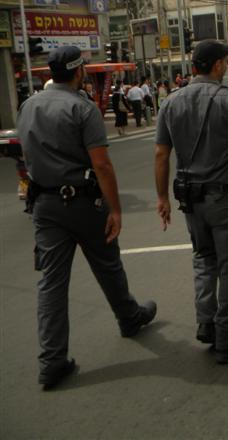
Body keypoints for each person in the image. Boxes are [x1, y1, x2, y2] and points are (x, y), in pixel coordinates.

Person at [17, 46, 156, 390]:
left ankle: (52, 361)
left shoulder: (28, 105)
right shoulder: (82, 108)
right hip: (82, 201)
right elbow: (102, 164)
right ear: (79, 72)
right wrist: (116, 209)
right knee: (107, 262)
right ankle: (128, 317)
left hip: (44, 205)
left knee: (51, 282)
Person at [155, 40, 228, 364]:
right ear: (218, 65)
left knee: (204, 259)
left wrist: (162, 197)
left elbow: (161, 154)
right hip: (224, 198)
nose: (227, 66)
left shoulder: (171, 102)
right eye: (226, 61)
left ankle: (207, 323)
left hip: (191, 200)